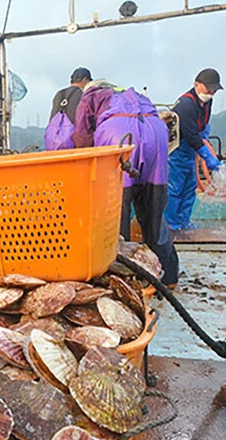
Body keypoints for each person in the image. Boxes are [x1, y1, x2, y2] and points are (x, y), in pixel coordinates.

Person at [72, 81, 180, 287]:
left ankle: (123, 282)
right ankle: (169, 277)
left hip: (117, 135)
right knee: (154, 213)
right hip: (156, 133)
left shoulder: (91, 96)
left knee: (116, 216)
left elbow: (82, 137)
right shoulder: (135, 94)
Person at [164, 68, 223, 230]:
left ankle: (184, 221)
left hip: (190, 152)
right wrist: (207, 156)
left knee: (190, 187)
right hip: (177, 150)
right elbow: (191, 136)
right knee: (175, 188)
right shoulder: (186, 105)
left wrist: (205, 130)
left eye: (214, 90)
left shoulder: (207, 100)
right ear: (197, 84)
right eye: (208, 88)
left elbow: (203, 122)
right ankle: (171, 224)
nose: (210, 92)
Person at [44, 67, 92, 150]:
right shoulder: (84, 95)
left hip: (51, 142)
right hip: (70, 144)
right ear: (85, 80)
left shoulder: (59, 94)